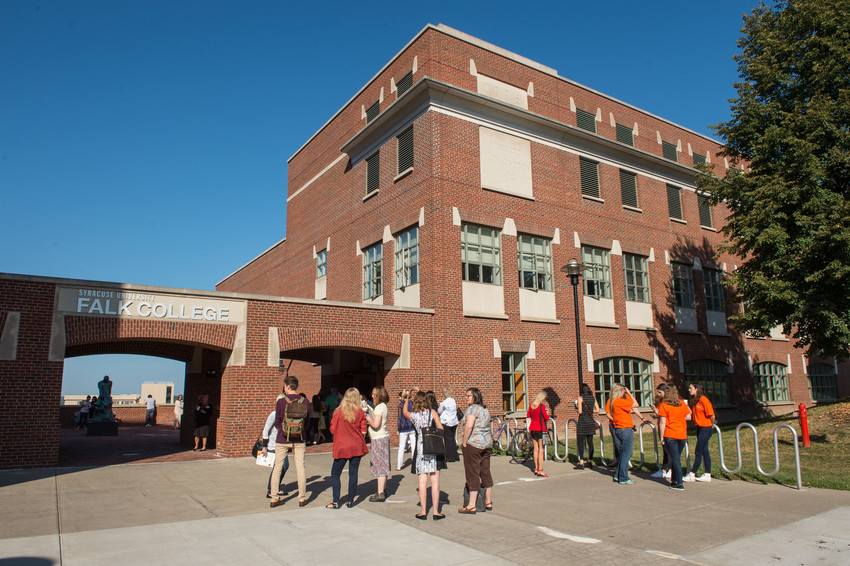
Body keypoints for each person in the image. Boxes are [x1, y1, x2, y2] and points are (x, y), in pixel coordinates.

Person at [403, 391, 444, 520]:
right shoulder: (432, 413)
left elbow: (405, 412)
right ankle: (436, 511)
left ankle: (423, 511)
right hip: (433, 446)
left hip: (420, 447)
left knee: (422, 480)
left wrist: (406, 399)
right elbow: (440, 428)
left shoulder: (414, 416)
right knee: (435, 480)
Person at [270, 376, 310, 508]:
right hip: (299, 438)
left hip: (283, 438)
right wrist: (300, 432)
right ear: (296, 386)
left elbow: (277, 420)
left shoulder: (281, 402)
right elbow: (307, 422)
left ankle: (274, 498)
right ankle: (302, 498)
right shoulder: (305, 401)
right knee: (300, 467)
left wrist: (283, 430)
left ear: (287, 386)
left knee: (277, 467)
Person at [327, 387, 368, 509]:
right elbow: (364, 430)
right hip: (356, 445)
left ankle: (335, 501)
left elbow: (332, 429)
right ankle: (350, 500)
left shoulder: (338, 412)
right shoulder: (360, 412)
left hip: (342, 446)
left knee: (335, 473)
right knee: (353, 473)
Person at [458, 387, 493, 514]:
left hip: (474, 443)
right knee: (485, 471)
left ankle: (471, 505)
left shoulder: (472, 409)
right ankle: (488, 501)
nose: (466, 398)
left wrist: (464, 441)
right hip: (487, 443)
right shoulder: (485, 408)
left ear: (475, 397)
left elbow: (469, 426)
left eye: (468, 396)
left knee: (472, 472)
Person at [606, 383, 643, 485]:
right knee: (626, 453)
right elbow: (636, 404)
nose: (624, 392)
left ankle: (618, 474)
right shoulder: (619, 401)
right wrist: (630, 394)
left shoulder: (614, 402)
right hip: (625, 429)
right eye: (623, 391)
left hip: (619, 428)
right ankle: (623, 477)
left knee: (624, 453)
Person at [658, 384, 692, 491]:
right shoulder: (681, 403)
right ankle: (674, 480)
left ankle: (679, 483)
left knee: (675, 459)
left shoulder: (664, 405)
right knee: (675, 458)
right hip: (681, 434)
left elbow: (662, 422)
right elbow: (688, 416)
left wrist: (661, 437)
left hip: (670, 434)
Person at [685, 382, 716, 482]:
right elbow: (693, 414)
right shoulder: (695, 401)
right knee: (704, 451)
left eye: (691, 388)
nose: (689, 390)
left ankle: (692, 473)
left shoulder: (704, 400)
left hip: (705, 428)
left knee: (698, 451)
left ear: (696, 389)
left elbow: (712, 415)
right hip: (699, 428)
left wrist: (711, 425)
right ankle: (707, 473)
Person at [261, 398, 290, 499]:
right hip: (273, 445)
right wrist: (264, 447)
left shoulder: (285, 415)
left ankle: (275, 487)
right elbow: (265, 431)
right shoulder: (274, 414)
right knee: (278, 468)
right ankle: (271, 490)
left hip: (282, 445)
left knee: (284, 466)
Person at [365, 386, 390, 502]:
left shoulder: (380, 407)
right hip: (383, 438)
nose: (372, 396)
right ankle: (383, 489)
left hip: (379, 438)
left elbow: (376, 425)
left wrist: (368, 418)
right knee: (383, 465)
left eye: (374, 394)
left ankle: (380, 493)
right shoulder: (383, 406)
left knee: (379, 465)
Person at [649, 384, 672, 479]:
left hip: (667, 427)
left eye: (660, 392)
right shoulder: (661, 402)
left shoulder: (668, 403)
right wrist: (656, 410)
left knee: (668, 449)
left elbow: (667, 416)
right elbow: (662, 415)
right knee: (665, 449)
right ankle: (664, 468)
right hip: (661, 425)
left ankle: (670, 468)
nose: (658, 394)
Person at [575, 383, 600, 469]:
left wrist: (577, 407)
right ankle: (590, 460)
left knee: (581, 442)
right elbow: (598, 409)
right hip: (590, 422)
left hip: (582, 422)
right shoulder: (593, 398)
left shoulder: (580, 398)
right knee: (590, 442)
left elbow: (580, 411)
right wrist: (590, 410)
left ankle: (581, 461)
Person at [526, 391, 550, 477]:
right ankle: (540, 469)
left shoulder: (531, 405)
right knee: (541, 449)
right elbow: (546, 418)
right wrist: (547, 413)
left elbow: (528, 415)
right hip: (540, 428)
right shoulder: (541, 406)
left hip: (532, 428)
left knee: (535, 449)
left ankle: (536, 468)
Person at [437, 387, 460, 463]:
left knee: (447, 440)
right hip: (454, 422)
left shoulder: (445, 402)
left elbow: (439, 411)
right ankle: (455, 455)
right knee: (452, 439)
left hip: (447, 422)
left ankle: (450, 457)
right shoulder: (454, 401)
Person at [396, 389, 415, 470]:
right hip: (412, 427)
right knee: (414, 446)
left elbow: (399, 417)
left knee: (401, 447)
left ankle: (399, 465)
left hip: (403, 427)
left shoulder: (400, 405)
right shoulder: (413, 404)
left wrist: (398, 428)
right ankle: (415, 464)